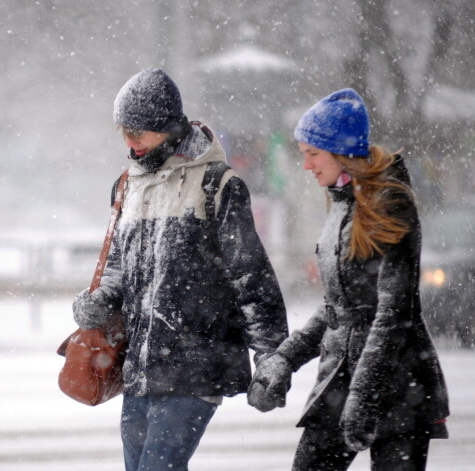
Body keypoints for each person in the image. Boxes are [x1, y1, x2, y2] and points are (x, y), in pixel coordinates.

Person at [73, 68, 288, 471]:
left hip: (196, 365)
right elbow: (120, 264)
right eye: (124, 131)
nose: (129, 141)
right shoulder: (128, 186)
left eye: (138, 132)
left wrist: (271, 356)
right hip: (140, 367)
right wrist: (100, 299)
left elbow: (251, 278)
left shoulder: (216, 185)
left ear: (168, 127)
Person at [247, 88, 450, 471]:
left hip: (398, 383)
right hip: (340, 382)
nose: (306, 165)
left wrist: (366, 396)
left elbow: (393, 314)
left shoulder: (390, 204)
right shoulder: (339, 204)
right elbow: (336, 311)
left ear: (341, 153)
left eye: (312, 153)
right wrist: (284, 360)